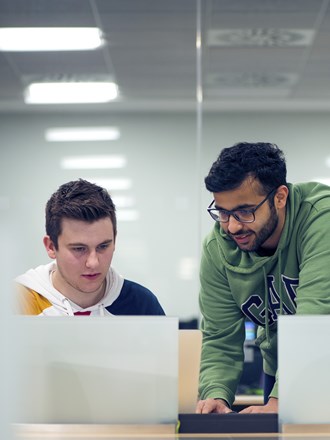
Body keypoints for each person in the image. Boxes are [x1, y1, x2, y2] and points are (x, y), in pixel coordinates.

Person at [196, 142, 330, 415]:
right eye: (223, 212)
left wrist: (284, 401)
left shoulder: (320, 220)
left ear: (280, 197)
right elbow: (220, 337)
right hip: (282, 370)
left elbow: (315, 317)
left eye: (245, 211)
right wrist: (216, 394)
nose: (232, 226)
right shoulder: (217, 249)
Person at [15, 179, 165, 316]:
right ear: (51, 247)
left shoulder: (141, 304)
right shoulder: (17, 303)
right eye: (79, 249)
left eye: (103, 246)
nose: (93, 263)